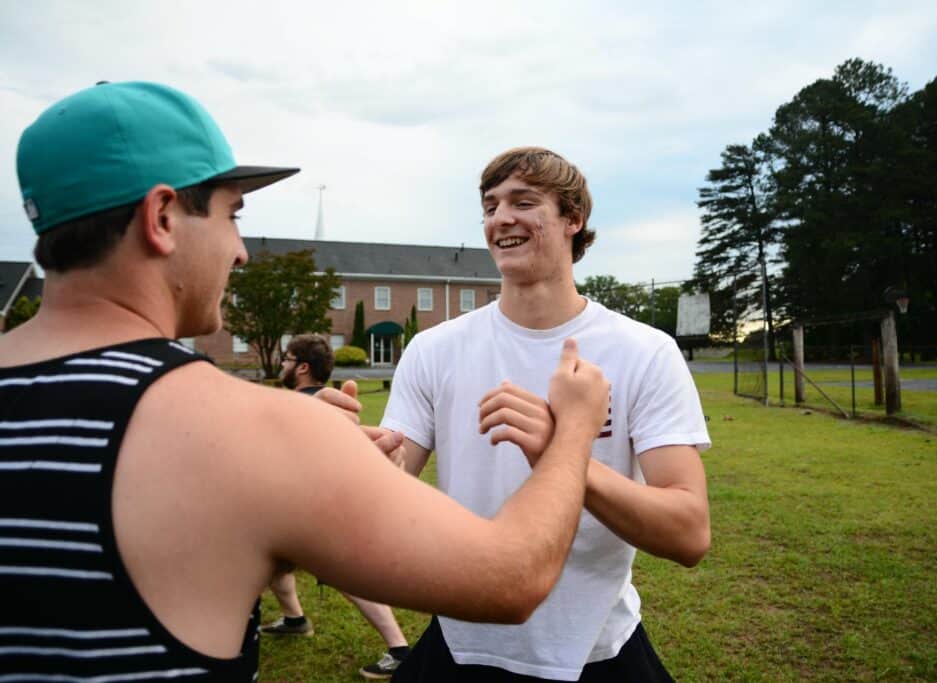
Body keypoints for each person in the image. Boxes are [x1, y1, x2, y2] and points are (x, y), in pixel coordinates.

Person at [0, 83, 611, 682]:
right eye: (231, 215)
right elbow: (512, 580)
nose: (241, 252)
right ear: (161, 217)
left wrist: (325, 477)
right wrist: (575, 430)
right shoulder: (250, 429)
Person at [381, 147, 712, 682]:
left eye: (524, 202)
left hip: (596, 652)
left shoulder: (644, 352)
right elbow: (390, 490)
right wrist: (354, 461)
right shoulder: (434, 350)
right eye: (490, 206)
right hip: (461, 644)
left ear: (573, 220)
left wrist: (564, 453)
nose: (500, 219)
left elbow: (689, 533)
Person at [268, 333, 412, 679]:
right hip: (296, 507)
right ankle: (295, 619)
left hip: (316, 508)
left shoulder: (308, 405)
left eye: (287, 359)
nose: (283, 365)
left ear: (301, 367)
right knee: (273, 564)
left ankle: (399, 649)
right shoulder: (323, 404)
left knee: (343, 575)